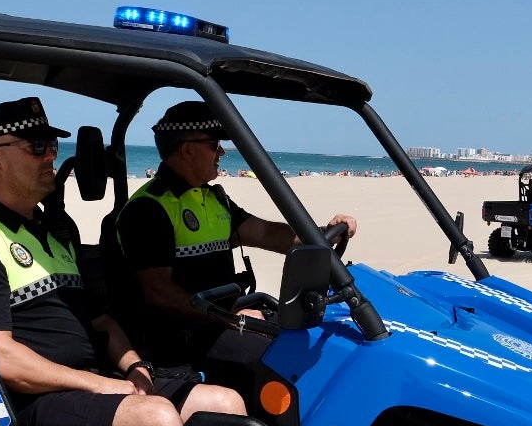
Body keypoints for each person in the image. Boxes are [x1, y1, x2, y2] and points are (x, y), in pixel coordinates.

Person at [0, 97, 245, 426]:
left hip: (92, 380)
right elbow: (3, 358)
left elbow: (101, 322)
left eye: (51, 145)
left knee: (223, 404)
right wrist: (98, 384)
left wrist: (135, 367)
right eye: (37, 146)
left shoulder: (57, 231)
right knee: (155, 418)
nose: (51, 156)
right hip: (34, 401)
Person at [113, 101, 356, 384]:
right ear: (188, 150)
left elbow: (265, 233)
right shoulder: (149, 209)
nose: (221, 152)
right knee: (286, 358)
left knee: (328, 337)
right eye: (214, 144)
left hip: (227, 318)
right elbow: (160, 294)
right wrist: (231, 318)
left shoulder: (214, 198)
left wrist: (322, 232)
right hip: (183, 335)